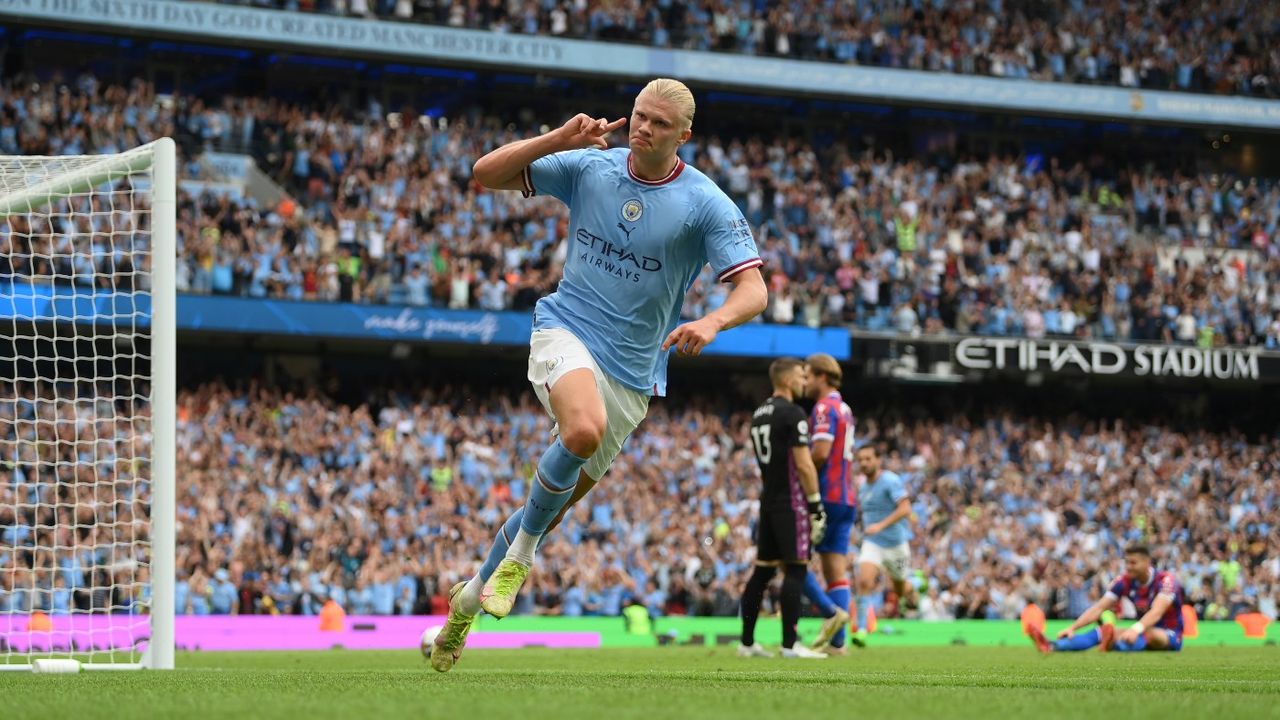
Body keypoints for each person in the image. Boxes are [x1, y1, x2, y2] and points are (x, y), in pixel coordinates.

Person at [429, 78, 769, 672]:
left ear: (683, 135)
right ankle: (521, 559)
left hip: (634, 373)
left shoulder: (705, 202)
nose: (643, 128)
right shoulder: (590, 166)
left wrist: (713, 323)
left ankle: (466, 602)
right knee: (581, 432)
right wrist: (561, 135)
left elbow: (754, 288)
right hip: (566, 328)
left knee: (550, 505)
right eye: (639, 115)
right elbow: (486, 172)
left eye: (659, 123)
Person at [738, 358, 829, 660]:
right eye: (802, 376)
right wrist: (815, 504)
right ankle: (790, 644)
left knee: (762, 572)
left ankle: (747, 643)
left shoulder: (759, 414)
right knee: (797, 568)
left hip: (768, 501)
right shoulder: (793, 413)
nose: (805, 381)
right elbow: (803, 464)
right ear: (789, 379)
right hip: (791, 503)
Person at [1028, 544, 1186, 653]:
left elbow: (1157, 612)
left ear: (1146, 563)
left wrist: (1134, 629)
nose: (1128, 567)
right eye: (1127, 562)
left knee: (1149, 634)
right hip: (1140, 630)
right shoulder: (1124, 581)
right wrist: (1073, 628)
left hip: (1169, 634)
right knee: (1101, 631)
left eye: (1133, 563)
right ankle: (1052, 646)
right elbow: (1098, 608)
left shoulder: (1166, 581)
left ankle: (1114, 646)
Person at [801, 352, 854, 653]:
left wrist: (797, 475)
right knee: (836, 570)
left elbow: (820, 452)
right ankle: (838, 643)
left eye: (808, 375)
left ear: (822, 376)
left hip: (826, 495)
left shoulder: (823, 408)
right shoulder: (844, 408)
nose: (805, 381)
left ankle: (831, 615)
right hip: (846, 497)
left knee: (790, 559)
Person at [849, 444, 915, 648]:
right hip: (873, 544)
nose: (864, 463)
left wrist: (880, 526)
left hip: (895, 544)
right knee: (864, 581)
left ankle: (915, 586)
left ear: (878, 460)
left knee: (901, 590)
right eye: (861, 460)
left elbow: (905, 508)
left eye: (868, 459)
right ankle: (861, 630)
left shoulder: (890, 480)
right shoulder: (863, 486)